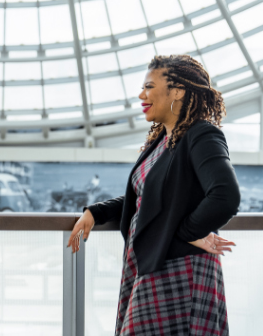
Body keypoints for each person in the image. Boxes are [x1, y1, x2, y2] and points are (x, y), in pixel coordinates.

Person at [68, 55, 240, 336]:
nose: (141, 95)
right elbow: (149, 199)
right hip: (154, 263)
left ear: (178, 91)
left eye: (149, 86)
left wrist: (183, 232)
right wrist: (97, 212)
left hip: (182, 270)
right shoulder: (163, 140)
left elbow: (225, 196)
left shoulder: (202, 135)